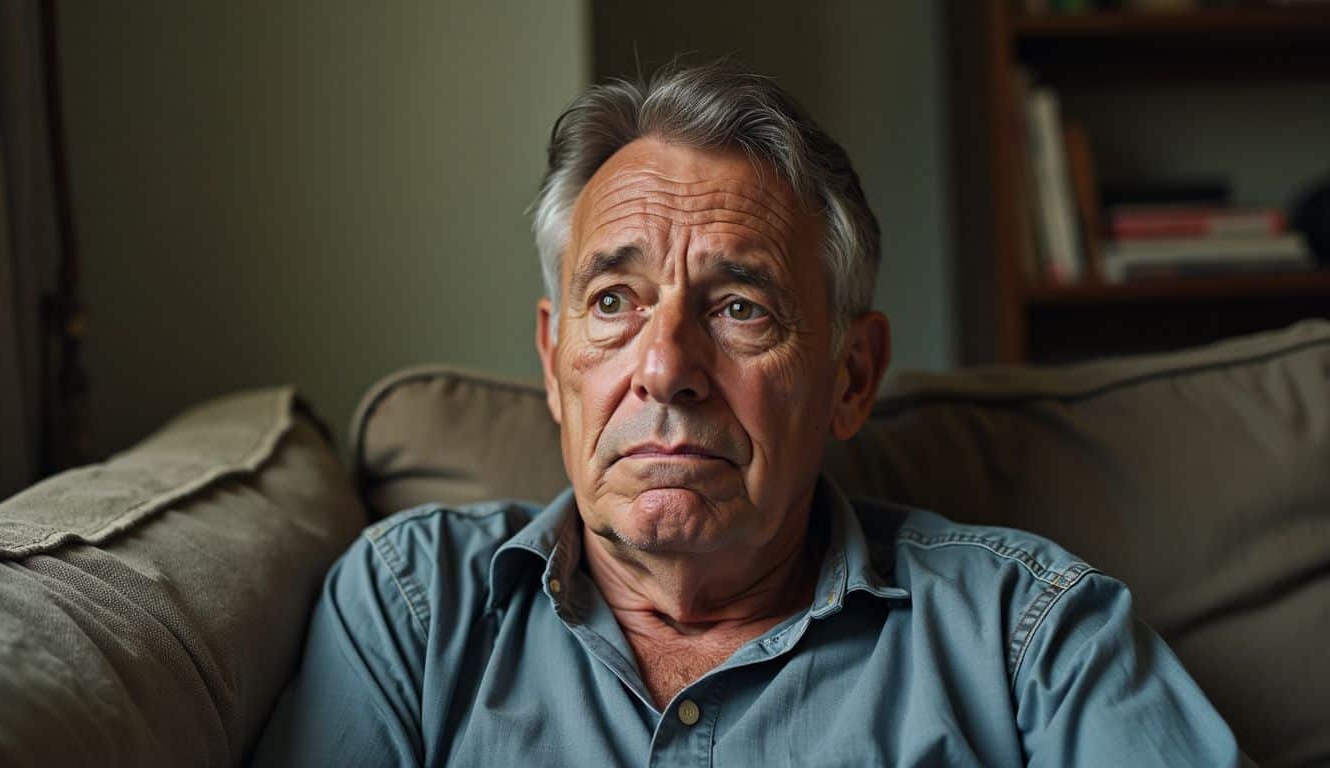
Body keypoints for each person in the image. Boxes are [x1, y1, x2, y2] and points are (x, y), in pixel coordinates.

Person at [252, 61, 1249, 766]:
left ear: (852, 377)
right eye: (614, 303)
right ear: (555, 363)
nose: (666, 368)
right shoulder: (411, 609)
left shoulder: (1030, 640)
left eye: (739, 308)